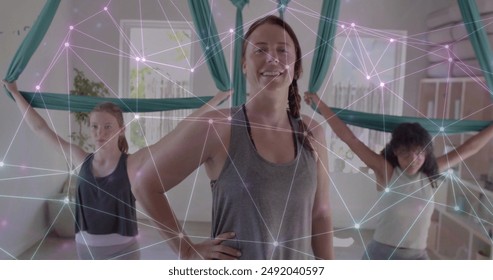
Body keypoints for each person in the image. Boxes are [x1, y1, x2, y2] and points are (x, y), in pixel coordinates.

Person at [131, 15, 334, 260]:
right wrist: (186, 250)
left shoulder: (313, 134)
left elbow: (320, 214)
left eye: (283, 50)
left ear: (297, 66)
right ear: (244, 65)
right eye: (260, 50)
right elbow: (145, 183)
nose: (272, 58)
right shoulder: (218, 127)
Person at [2, 79, 230, 259]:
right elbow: (40, 128)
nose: (99, 133)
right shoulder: (80, 159)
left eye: (107, 126)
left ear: (121, 129)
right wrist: (15, 93)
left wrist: (218, 99)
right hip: (85, 251)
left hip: (123, 253)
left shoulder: (132, 163)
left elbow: (181, 130)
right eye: (94, 127)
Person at [304, 92, 493, 260]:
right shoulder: (387, 171)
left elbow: (469, 148)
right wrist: (320, 104)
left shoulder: (431, 172)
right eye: (405, 153)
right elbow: (350, 139)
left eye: (419, 152)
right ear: (395, 152)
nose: (413, 159)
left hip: (417, 257)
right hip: (381, 255)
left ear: (426, 152)